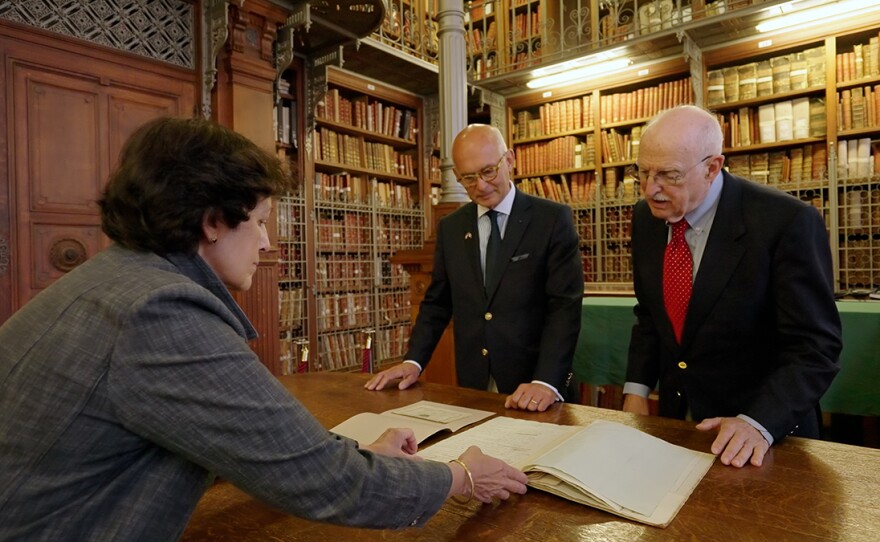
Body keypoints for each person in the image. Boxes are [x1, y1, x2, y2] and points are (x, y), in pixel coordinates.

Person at [0, 117, 528, 541]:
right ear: (212, 221)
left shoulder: (114, 277)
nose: (266, 242)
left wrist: (347, 449)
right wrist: (461, 476)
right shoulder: (161, 313)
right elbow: (324, 485)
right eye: (258, 220)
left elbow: (231, 437)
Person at [623, 105, 842, 468]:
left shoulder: (785, 222)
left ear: (712, 167)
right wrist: (636, 389)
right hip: (682, 426)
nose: (651, 189)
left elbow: (816, 347)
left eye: (669, 175)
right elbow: (650, 315)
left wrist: (758, 422)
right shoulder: (645, 218)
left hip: (767, 436)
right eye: (642, 172)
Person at [366, 124, 584, 412]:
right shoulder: (451, 227)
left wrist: (546, 380)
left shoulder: (552, 219)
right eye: (468, 178)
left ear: (509, 160)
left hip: (536, 386)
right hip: (473, 386)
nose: (480, 185)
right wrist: (413, 361)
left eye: (488, 171)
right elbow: (437, 304)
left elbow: (564, 308)